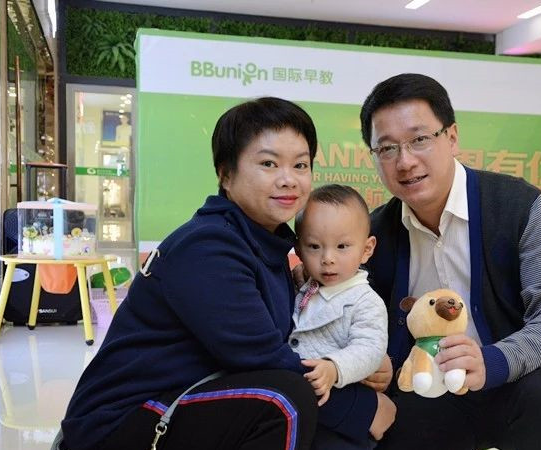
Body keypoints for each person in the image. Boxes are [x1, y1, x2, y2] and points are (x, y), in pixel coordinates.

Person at [57, 97, 364, 450]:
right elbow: (264, 357)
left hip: (184, 397)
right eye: (268, 163)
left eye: (300, 165)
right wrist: (363, 408)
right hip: (118, 422)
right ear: (226, 175)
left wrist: (353, 365)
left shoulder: (265, 242)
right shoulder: (208, 246)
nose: (288, 180)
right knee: (286, 399)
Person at [359, 73, 541, 450]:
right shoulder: (373, 236)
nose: (405, 161)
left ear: (451, 137)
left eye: (419, 139)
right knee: (388, 422)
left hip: (516, 378)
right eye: (387, 148)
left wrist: (491, 361)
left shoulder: (522, 208)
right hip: (429, 388)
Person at [292, 183, 394, 446]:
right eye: (314, 246)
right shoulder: (303, 288)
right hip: (305, 412)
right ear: (299, 250)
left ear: (367, 249)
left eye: (342, 246)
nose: (328, 258)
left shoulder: (365, 301)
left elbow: (370, 349)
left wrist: (334, 367)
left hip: (342, 418)